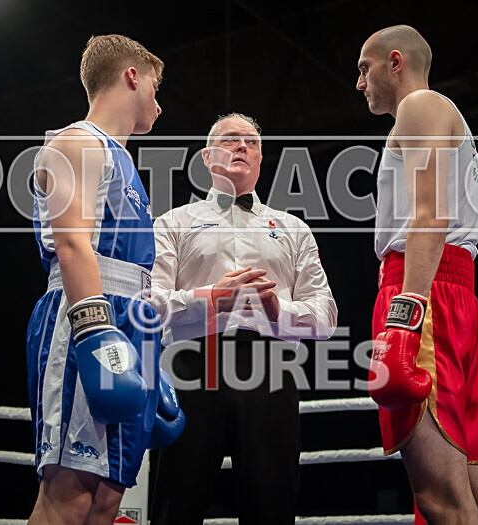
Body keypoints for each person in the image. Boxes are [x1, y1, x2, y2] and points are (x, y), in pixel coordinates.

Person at [149, 113, 338, 525]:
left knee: (272, 502)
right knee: (175, 501)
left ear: (260, 158)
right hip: (190, 365)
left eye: (251, 142)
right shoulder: (171, 223)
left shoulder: (293, 228)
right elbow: (152, 305)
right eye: (230, 139)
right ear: (205, 157)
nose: (242, 147)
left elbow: (325, 316)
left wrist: (278, 311)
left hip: (271, 367)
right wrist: (211, 299)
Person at [356, 25, 478, 524]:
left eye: (365, 67)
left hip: (423, 294)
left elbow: (429, 216)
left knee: (440, 497)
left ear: (395, 62)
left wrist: (405, 314)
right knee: (476, 490)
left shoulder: (419, 107)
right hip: (455, 295)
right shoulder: (444, 116)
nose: (360, 83)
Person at [25, 34, 166, 524]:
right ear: (132, 75)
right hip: (85, 320)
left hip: (127, 322)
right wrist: (96, 335)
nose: (159, 102)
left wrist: (147, 350)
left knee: (107, 499)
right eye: (154, 84)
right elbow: (72, 243)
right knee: (70, 494)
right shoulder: (77, 141)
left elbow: (133, 274)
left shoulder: (123, 161)